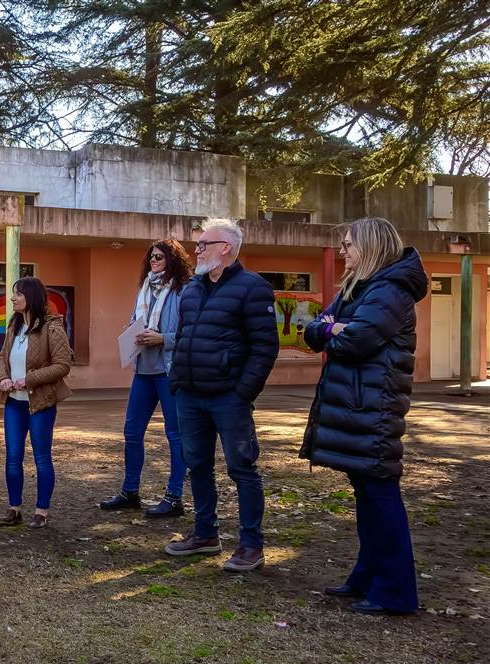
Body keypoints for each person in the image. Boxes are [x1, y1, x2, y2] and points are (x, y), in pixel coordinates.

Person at [300, 218, 426, 615]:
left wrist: (335, 328)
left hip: (374, 408)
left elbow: (357, 340)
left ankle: (395, 592)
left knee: (380, 496)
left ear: (370, 246)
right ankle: (368, 575)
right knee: (368, 497)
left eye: (349, 244)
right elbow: (312, 329)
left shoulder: (389, 290)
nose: (343, 251)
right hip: (358, 407)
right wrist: (332, 327)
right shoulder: (361, 287)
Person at [165, 217, 278, 572]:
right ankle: (205, 534)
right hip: (190, 395)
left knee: (242, 469)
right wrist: (177, 380)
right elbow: (183, 336)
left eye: (203, 244)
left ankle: (250, 546)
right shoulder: (193, 289)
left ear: (225, 248)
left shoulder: (252, 287)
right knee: (196, 465)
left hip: (229, 397)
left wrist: (243, 391)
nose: (196, 250)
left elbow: (265, 347)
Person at [100, 239, 192, 517]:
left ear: (173, 260)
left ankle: (174, 497)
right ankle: (130, 492)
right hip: (143, 370)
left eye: (160, 257)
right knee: (131, 432)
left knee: (174, 435)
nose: (153, 262)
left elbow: (193, 334)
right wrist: (132, 331)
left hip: (168, 371)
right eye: (151, 257)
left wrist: (162, 338)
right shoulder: (144, 290)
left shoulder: (185, 291)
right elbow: (135, 319)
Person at [0, 277, 73, 529]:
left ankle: (41, 511)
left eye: (17, 294)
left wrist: (28, 380)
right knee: (12, 457)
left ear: (31, 297)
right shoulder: (14, 326)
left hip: (40, 404)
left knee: (41, 457)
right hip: (14, 404)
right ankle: (14, 508)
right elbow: (2, 357)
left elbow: (63, 365)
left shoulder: (52, 327)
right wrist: (4, 379)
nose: (12, 298)